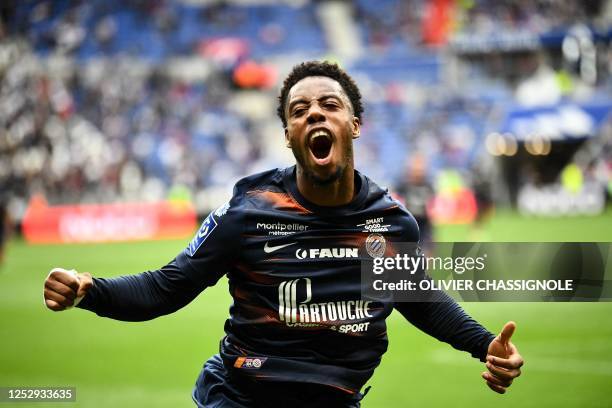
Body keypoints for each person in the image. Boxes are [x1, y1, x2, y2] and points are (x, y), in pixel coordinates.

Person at [43, 61, 523, 407]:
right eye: (299, 110)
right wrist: (90, 290)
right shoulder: (248, 211)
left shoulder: (391, 222)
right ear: (288, 134)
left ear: (354, 125)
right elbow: (166, 288)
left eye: (329, 104)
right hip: (242, 397)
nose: (314, 113)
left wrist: (486, 346)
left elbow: (419, 300)